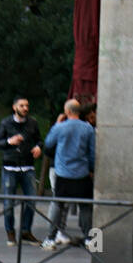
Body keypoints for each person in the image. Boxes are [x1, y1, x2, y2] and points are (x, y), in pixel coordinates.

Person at [41, 100, 96, 250]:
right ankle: (89, 238)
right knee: (85, 207)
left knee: (58, 205)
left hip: (63, 173)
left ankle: (51, 238)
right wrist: (91, 169)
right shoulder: (88, 129)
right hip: (82, 173)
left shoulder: (60, 128)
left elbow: (48, 144)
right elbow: (92, 153)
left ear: (67, 112)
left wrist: (56, 125)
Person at [0, 97, 43, 246]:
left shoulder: (33, 123)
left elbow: (39, 140)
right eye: (22, 105)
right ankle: (10, 232)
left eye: (27, 105)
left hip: (28, 167)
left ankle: (25, 231)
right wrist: (9, 142)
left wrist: (39, 147)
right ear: (14, 107)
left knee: (32, 201)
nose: (25, 108)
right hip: (10, 167)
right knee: (8, 202)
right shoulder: (6, 123)